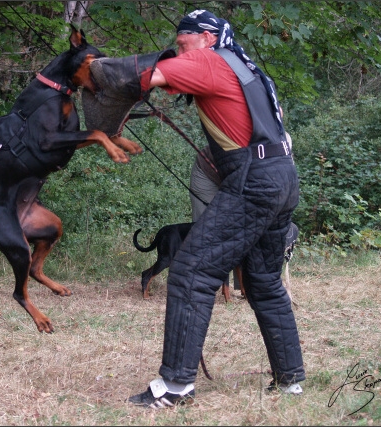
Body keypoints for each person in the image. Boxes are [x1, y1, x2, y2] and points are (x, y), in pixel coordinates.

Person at [127, 10, 305, 409]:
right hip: (282, 175)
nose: (179, 50)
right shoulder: (245, 67)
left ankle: (175, 387)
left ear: (207, 38)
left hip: (253, 180)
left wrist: (88, 71)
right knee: (263, 281)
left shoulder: (209, 58)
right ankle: (290, 380)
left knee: (191, 270)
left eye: (184, 41)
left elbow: (146, 77)